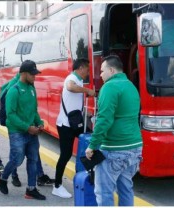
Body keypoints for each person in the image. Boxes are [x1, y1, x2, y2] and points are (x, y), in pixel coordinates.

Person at [85, 55, 143, 206]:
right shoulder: (130, 86)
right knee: (126, 189)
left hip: (115, 148)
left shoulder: (109, 87)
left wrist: (92, 145)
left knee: (104, 192)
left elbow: (104, 119)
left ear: (111, 70)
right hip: (135, 147)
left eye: (102, 71)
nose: (100, 75)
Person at [0, 60, 46, 200]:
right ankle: (3, 178)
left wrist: (39, 122)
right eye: (32, 74)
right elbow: (11, 115)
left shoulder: (32, 89)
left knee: (33, 159)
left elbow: (33, 111)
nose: (34, 77)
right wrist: (27, 127)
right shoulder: (14, 90)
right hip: (17, 132)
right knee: (17, 159)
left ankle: (31, 189)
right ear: (23, 73)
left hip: (31, 132)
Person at [52, 58, 95, 199]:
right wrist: (87, 90)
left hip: (75, 122)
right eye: (87, 69)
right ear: (81, 68)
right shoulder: (71, 78)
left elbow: (73, 101)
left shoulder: (79, 80)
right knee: (66, 155)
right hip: (65, 125)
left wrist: (85, 113)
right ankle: (57, 186)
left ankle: (90, 175)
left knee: (92, 141)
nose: (88, 72)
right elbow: (70, 87)